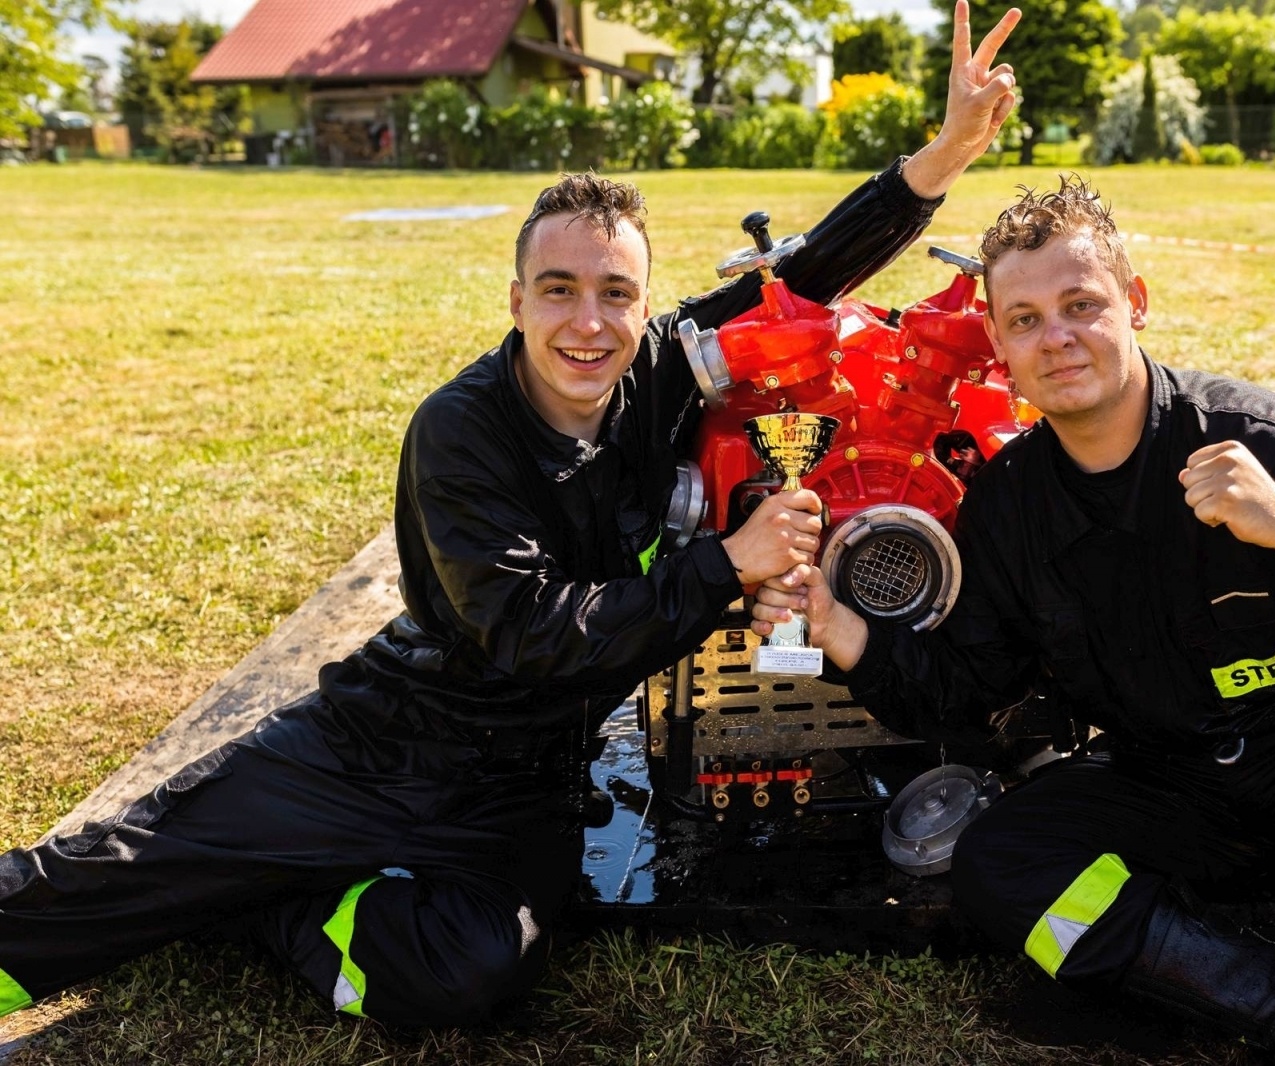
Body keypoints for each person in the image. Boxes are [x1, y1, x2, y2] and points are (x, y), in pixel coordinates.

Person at [0, 0, 1021, 1029]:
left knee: (479, 968)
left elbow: (799, 281)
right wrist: (724, 564)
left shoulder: (657, 370)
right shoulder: (460, 430)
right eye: (559, 289)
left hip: (526, 777)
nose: (589, 322)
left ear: (643, 303)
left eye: (616, 293)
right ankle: (198, 881)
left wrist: (936, 159)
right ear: (518, 299)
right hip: (400, 734)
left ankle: (283, 910)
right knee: (113, 870)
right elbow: (529, 632)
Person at [754, 175, 1275, 1064]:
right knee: (1001, 861)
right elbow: (972, 691)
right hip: (1163, 777)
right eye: (1028, 319)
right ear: (1000, 345)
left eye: (1082, 304)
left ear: (1137, 304)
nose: (1059, 337)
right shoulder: (1009, 505)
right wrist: (837, 627)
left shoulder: (1261, 439)